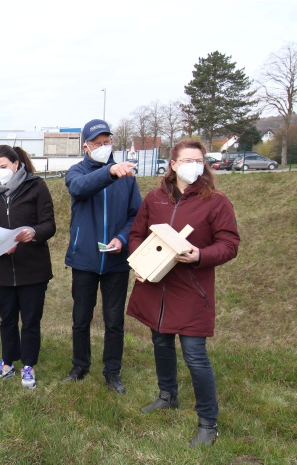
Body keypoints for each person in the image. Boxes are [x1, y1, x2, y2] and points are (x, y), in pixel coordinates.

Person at [127, 138, 239, 447]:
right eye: (187, 160)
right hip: (155, 288)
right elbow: (137, 234)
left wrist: (200, 255)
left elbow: (229, 244)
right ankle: (167, 395)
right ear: (173, 164)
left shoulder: (216, 202)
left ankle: (207, 422)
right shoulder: (154, 199)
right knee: (160, 342)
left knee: (195, 355)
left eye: (198, 160)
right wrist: (140, 261)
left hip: (191, 291)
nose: (194, 165)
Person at [63, 119, 141, 393]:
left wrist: (121, 238)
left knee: (114, 320)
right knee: (81, 317)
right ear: (86, 146)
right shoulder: (76, 171)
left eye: (107, 142)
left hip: (116, 261)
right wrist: (110, 172)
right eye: (97, 143)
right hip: (84, 258)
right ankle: (80, 365)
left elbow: (136, 215)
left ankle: (112, 371)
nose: (103, 147)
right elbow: (79, 188)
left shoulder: (127, 177)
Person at [0, 145, 56, 390]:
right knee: (6, 319)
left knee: (30, 320)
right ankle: (7, 363)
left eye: (3, 167)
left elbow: (49, 224)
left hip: (33, 268)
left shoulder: (36, 186)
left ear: (16, 164)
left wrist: (33, 232)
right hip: (2, 269)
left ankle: (28, 365)